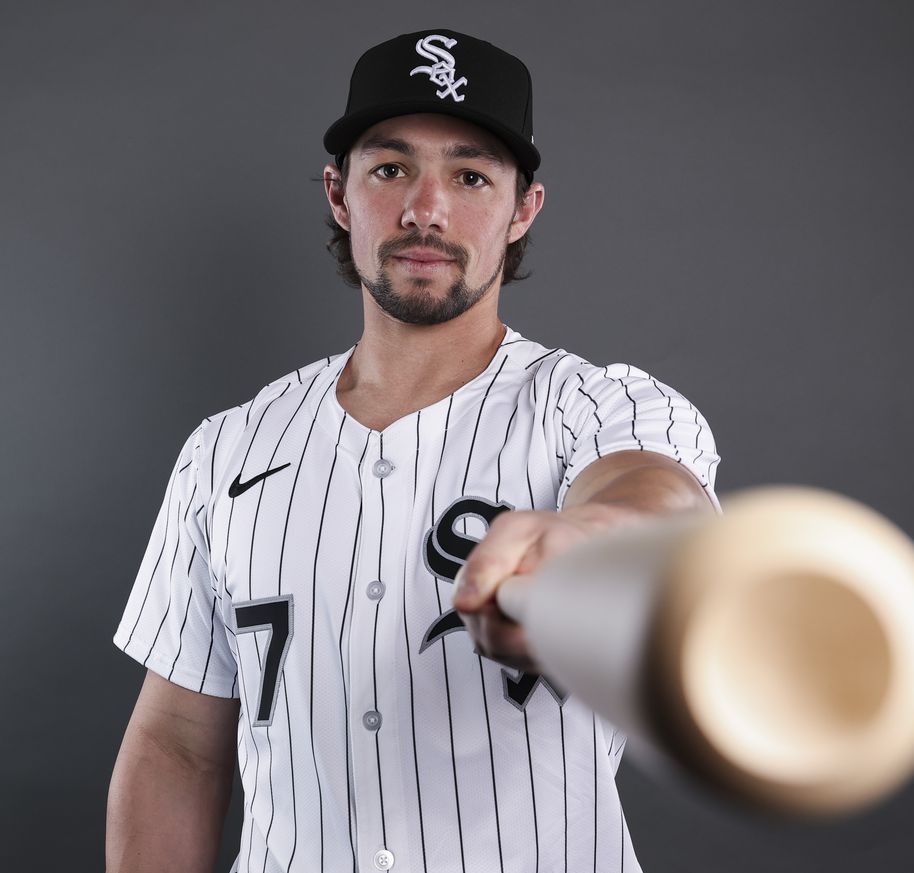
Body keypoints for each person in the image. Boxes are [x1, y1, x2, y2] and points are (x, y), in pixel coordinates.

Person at [106, 28, 720, 873]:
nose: (425, 209)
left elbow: (660, 497)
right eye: (390, 168)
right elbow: (178, 745)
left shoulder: (599, 405)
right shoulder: (227, 449)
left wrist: (592, 541)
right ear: (338, 193)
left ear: (523, 209)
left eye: (470, 176)